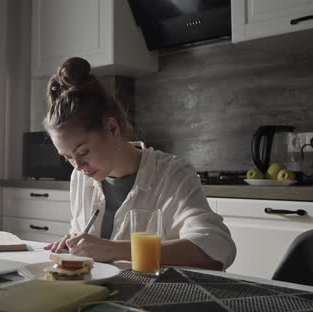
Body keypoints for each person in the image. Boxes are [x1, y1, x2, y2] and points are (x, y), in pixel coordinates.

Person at [42, 57, 236, 270]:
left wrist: (113, 249)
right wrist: (74, 243)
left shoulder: (172, 174)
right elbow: (88, 238)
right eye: (68, 157)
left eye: (83, 152)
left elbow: (217, 248)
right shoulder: (80, 178)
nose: (78, 165)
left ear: (113, 129)